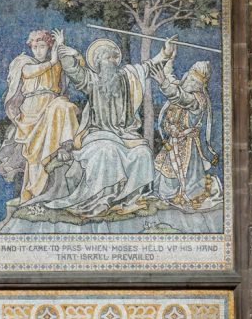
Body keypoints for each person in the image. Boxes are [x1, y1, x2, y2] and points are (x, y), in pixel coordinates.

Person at [38, 30, 177, 218]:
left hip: (124, 136)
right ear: (98, 62)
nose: (110, 62)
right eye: (106, 58)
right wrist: (61, 47)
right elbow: (72, 70)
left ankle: (131, 199)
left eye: (113, 58)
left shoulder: (127, 78)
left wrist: (165, 52)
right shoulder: (91, 80)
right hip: (98, 135)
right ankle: (100, 200)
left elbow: (148, 66)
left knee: (143, 152)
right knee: (107, 151)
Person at [0, 29, 79, 202]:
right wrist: (52, 61)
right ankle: (34, 194)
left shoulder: (56, 63)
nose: (38, 51)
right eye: (35, 47)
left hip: (51, 107)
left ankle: (65, 146)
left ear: (49, 47)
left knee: (64, 105)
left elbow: (77, 70)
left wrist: (67, 50)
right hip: (31, 111)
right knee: (34, 155)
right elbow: (29, 73)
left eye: (42, 46)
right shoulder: (23, 62)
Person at [153, 59, 222, 209]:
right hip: (172, 143)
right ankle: (166, 197)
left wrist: (164, 83)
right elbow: (172, 80)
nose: (187, 80)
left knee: (183, 177)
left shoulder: (197, 100)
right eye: (189, 76)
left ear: (198, 83)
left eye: (192, 79)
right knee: (164, 171)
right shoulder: (184, 89)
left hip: (187, 146)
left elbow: (179, 97)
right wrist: (170, 58)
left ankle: (180, 195)